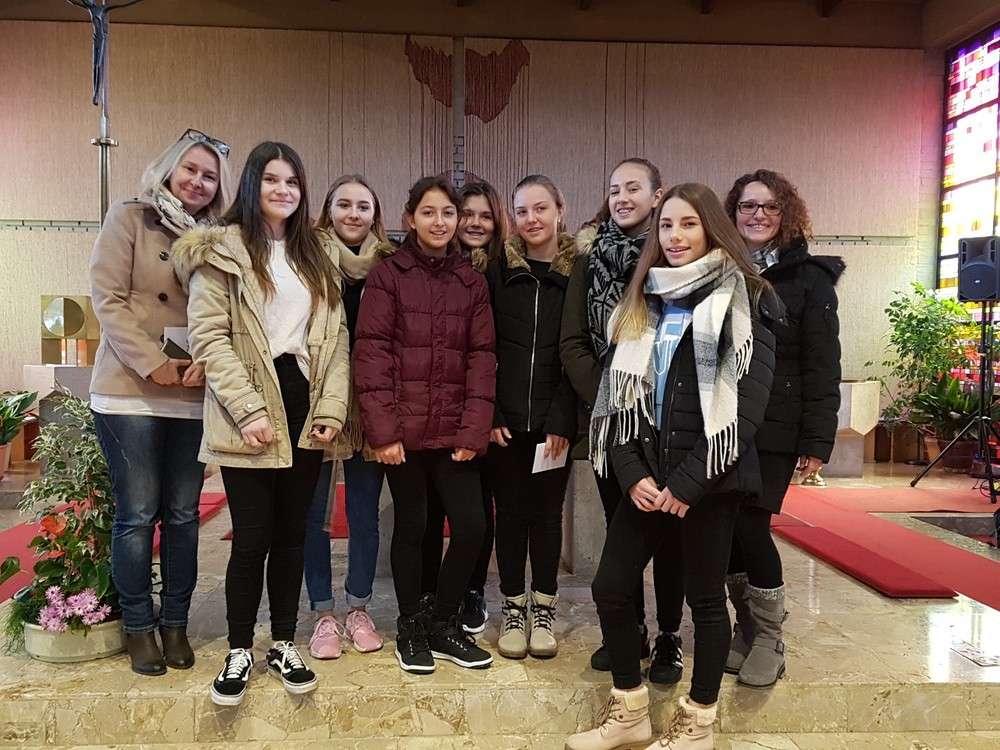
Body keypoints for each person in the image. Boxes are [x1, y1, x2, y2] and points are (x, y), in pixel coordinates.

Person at [566, 183, 777, 750]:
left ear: (712, 229)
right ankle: (630, 712)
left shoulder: (746, 299)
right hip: (647, 478)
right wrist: (632, 472)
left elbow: (746, 410)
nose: (675, 236)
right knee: (611, 588)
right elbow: (618, 401)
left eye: (688, 224)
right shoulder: (645, 300)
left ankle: (698, 722)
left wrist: (687, 484)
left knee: (705, 601)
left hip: (709, 481)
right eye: (665, 226)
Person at [173, 141, 351, 707]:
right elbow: (209, 337)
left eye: (292, 182)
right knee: (252, 537)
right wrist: (247, 409)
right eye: (272, 179)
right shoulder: (221, 250)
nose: (283, 190)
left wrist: (331, 409)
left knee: (293, 534)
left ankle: (283, 643)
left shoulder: (316, 253)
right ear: (252, 185)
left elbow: (336, 339)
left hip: (304, 399)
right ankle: (238, 649)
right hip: (246, 399)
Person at [90, 129, 231, 676]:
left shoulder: (220, 237)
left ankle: (175, 622)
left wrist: (210, 362)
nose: (198, 182)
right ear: (170, 169)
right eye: (190, 169)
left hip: (192, 393)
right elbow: (108, 298)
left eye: (210, 176)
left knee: (183, 515)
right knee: (137, 515)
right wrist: (153, 362)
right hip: (131, 390)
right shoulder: (130, 217)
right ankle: (138, 626)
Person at [354, 176, 497, 675]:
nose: (440, 222)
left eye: (448, 213)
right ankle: (411, 627)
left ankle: (442, 622)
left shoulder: (472, 282)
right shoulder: (387, 276)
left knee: (473, 526)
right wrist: (384, 432)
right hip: (404, 434)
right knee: (413, 526)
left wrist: (474, 430)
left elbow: (482, 358)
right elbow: (372, 354)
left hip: (455, 431)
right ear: (409, 219)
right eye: (429, 213)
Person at [560, 157, 686, 684]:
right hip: (612, 422)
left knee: (672, 532)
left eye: (633, 188)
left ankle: (670, 637)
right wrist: (613, 402)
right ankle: (629, 630)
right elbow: (572, 343)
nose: (622, 198)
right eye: (614, 189)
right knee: (622, 529)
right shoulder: (588, 260)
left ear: (657, 196)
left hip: (670, 418)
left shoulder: (676, 258)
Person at [722, 169, 842, 688]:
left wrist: (816, 440)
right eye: (748, 206)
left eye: (770, 207)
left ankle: (771, 636)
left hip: (776, 424)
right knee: (726, 529)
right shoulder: (718, 266)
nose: (758, 215)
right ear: (733, 213)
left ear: (786, 213)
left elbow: (822, 363)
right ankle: (746, 626)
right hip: (723, 421)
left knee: (752, 525)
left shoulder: (810, 279)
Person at [483, 175, 577, 659]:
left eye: (541, 208)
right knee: (510, 515)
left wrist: (563, 416)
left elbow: (581, 350)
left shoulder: (579, 271)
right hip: (505, 423)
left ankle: (544, 608)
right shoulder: (497, 269)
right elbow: (483, 347)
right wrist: (491, 409)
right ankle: (513, 608)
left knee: (546, 515)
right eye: (521, 211)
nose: (531, 219)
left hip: (554, 423)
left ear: (560, 210)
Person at [303, 175, 396, 659]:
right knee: (315, 517)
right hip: (318, 401)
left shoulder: (389, 263)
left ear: (375, 214)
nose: (353, 214)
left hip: (371, 406)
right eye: (344, 204)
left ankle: (358, 607)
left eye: (363, 205)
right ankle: (323, 612)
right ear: (328, 210)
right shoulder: (305, 258)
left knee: (364, 516)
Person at [420, 180, 508, 634]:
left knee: (480, 508)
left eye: (485, 215)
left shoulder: (503, 270)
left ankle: (472, 589)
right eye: (467, 213)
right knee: (433, 509)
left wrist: (492, 413)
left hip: (490, 409)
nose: (475, 223)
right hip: (444, 410)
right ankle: (433, 590)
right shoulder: (439, 268)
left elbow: (495, 350)